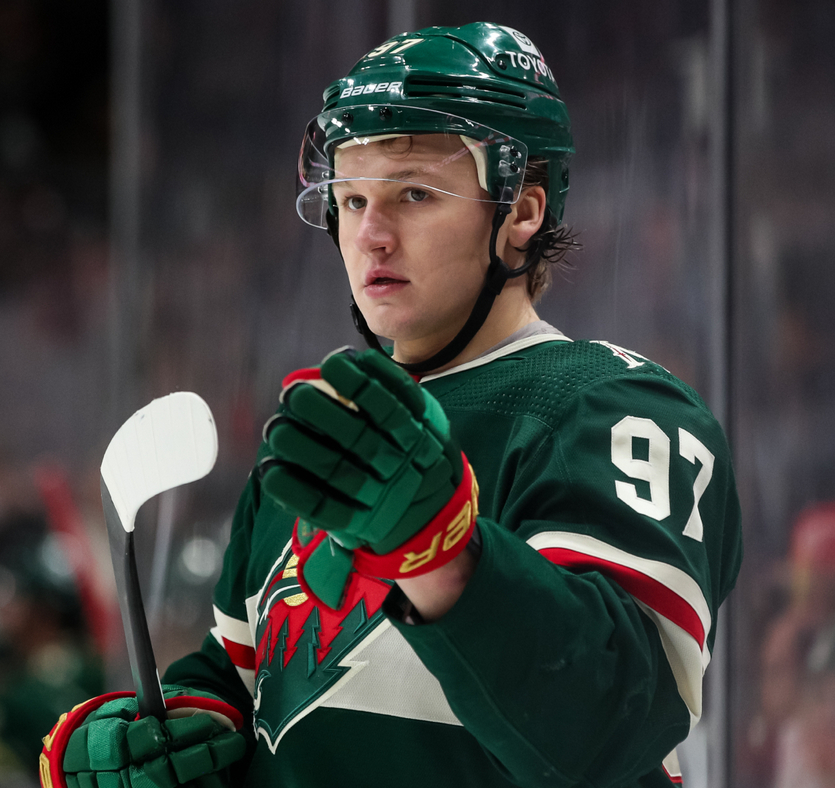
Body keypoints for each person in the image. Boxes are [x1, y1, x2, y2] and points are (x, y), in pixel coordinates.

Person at [40, 22, 741, 788]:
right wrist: (165, 745)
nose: (370, 234)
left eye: (414, 193)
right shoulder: (326, 432)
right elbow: (248, 689)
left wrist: (446, 556)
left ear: (522, 209)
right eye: (350, 198)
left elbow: (615, 723)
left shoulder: (615, 410)